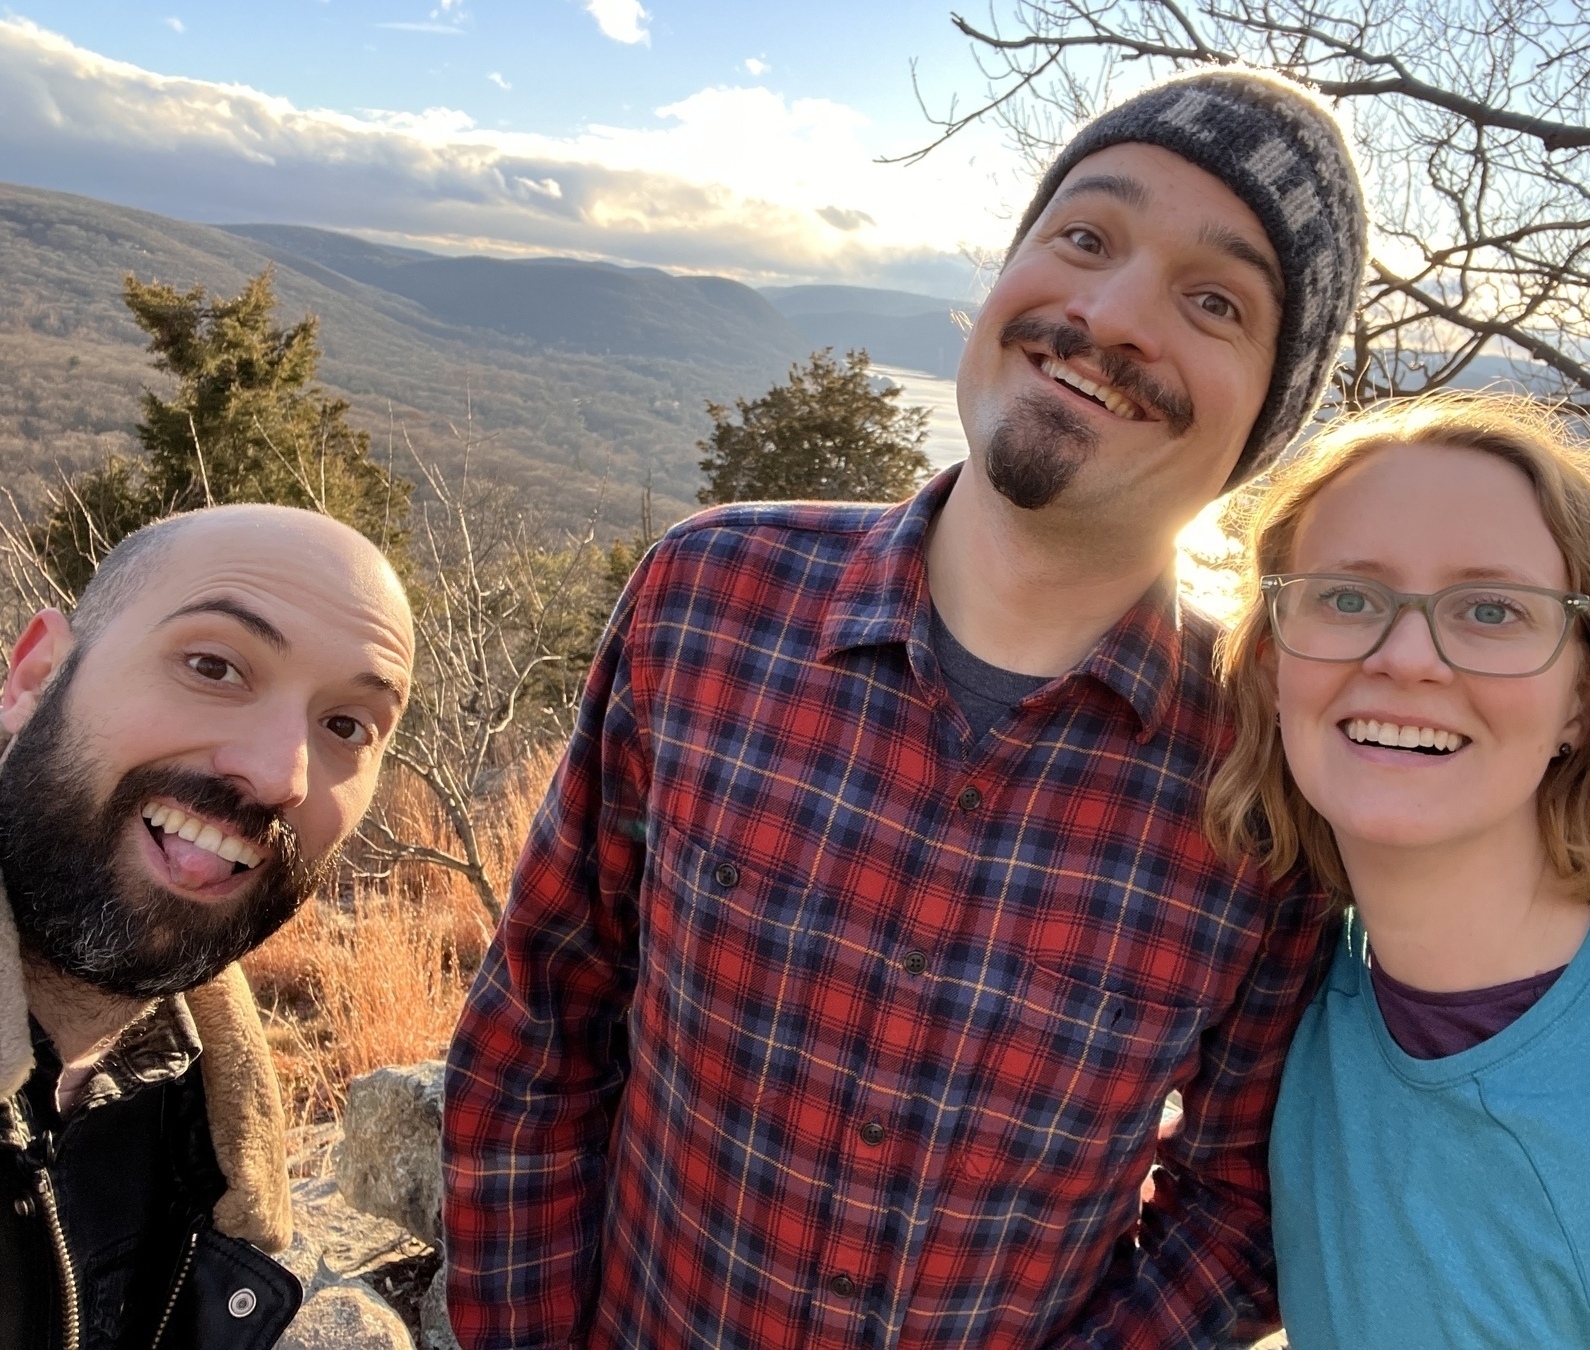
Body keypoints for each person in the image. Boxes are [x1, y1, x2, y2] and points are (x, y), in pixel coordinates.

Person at [443, 67, 1366, 1350]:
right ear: (1002, 276)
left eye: (1214, 300)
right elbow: (542, 1027)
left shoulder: (1265, 773)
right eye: (1085, 236)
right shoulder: (708, 599)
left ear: (1265, 412)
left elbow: (1238, 1211)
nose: (1109, 313)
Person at [1200, 395, 1590, 1347]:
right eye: (1347, 596)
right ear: (1274, 665)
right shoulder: (1295, 1007)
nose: (1405, 658)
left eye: (1491, 611)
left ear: (1587, 697)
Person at [0, 504, 414, 1350]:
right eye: (213, 665)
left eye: (344, 726)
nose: (277, 774)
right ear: (34, 676)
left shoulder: (211, 1122)